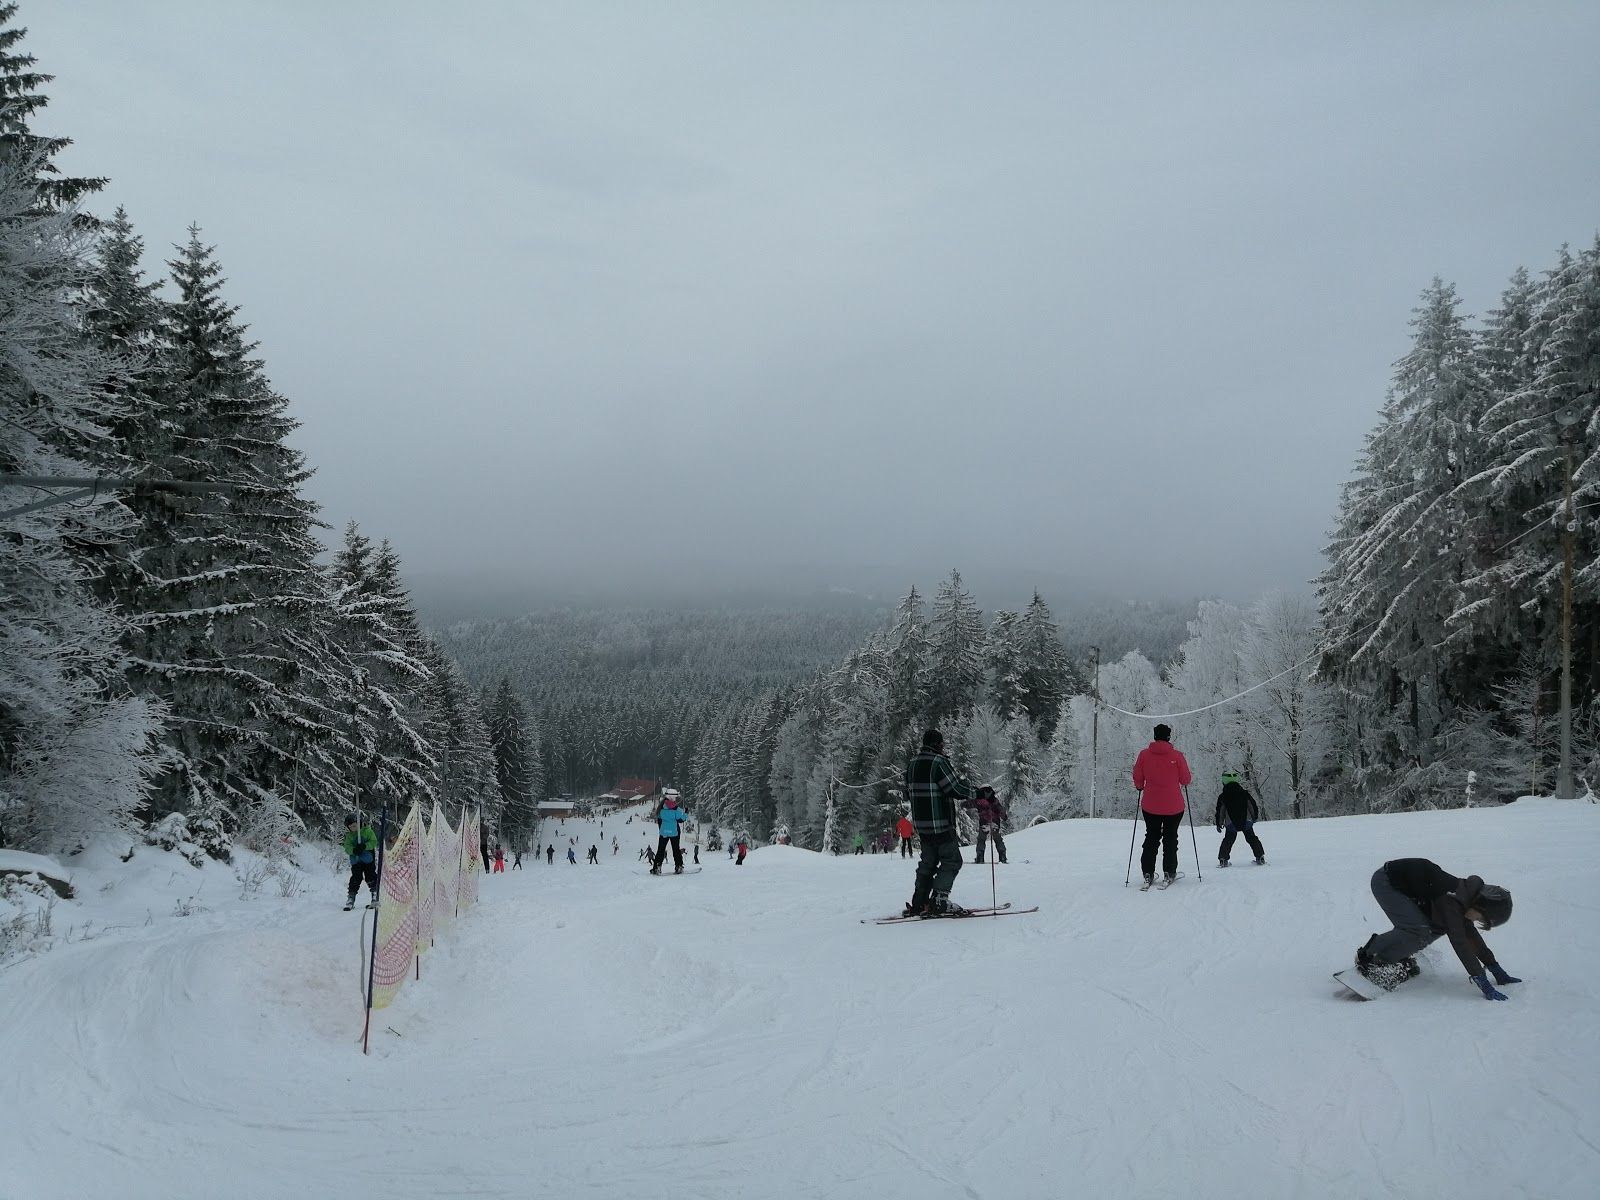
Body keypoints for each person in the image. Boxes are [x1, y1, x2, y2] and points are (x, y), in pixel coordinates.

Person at [1355, 859, 1518, 999]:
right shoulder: (1452, 901)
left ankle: (1396, 956)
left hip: (1406, 886)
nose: (1477, 921)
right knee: (1418, 929)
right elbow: (1460, 941)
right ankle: (1370, 956)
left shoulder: (1465, 899)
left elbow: (1471, 937)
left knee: (1435, 928)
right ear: (1481, 905)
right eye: (1481, 918)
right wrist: (1480, 977)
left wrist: (1494, 966)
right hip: (1386, 882)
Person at [903, 728, 976, 916]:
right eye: (942, 744)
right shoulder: (938, 762)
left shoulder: (912, 765)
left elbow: (907, 792)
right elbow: (955, 788)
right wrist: (979, 793)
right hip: (940, 824)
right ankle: (939, 900)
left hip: (922, 825)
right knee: (952, 860)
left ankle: (919, 902)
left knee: (928, 862)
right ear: (938, 745)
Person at [1132, 723, 1192, 888]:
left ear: (1154, 736)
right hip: (1174, 806)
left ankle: (1148, 873)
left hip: (1150, 805)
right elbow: (1186, 779)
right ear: (1168, 737)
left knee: (1151, 838)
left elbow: (1137, 775)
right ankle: (1169, 872)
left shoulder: (1144, 755)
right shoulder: (1177, 756)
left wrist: (1140, 786)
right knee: (1170, 838)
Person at [1214, 772, 1265, 866]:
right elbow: (1252, 806)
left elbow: (1220, 811)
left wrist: (1219, 823)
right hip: (1246, 822)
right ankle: (1260, 856)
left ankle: (1223, 859)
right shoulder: (1244, 793)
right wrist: (1254, 817)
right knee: (1252, 838)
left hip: (1231, 824)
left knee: (1228, 840)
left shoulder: (1223, 796)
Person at [962, 785, 1009, 865]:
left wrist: (963, 804)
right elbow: (1001, 810)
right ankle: (1002, 856)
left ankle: (980, 857)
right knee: (998, 840)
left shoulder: (979, 801)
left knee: (981, 840)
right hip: (995, 823)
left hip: (984, 823)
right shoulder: (994, 800)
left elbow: (969, 804)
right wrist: (1004, 817)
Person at [341, 815, 380, 910]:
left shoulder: (367, 831)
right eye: (350, 827)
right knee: (356, 878)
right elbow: (347, 847)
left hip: (368, 859)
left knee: (370, 876)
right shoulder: (349, 836)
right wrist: (353, 850)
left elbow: (374, 842)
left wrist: (364, 846)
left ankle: (375, 896)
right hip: (356, 861)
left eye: (354, 826)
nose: (353, 829)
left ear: (360, 824)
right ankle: (351, 897)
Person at [651, 796, 689, 874]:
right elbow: (681, 819)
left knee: (661, 850)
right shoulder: (676, 809)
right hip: (674, 832)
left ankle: (657, 867)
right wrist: (686, 813)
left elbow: (659, 820)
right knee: (676, 850)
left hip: (664, 832)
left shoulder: (661, 808)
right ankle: (679, 866)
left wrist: (662, 830)